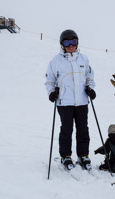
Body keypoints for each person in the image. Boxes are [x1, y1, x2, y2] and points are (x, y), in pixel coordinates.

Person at [45, 29, 96, 170]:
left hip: (82, 102)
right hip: (64, 102)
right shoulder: (56, 61)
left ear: (77, 42)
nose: (71, 45)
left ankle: (83, 155)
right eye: (67, 42)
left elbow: (90, 77)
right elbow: (49, 81)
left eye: (73, 42)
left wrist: (90, 89)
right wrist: (51, 93)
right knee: (66, 130)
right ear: (62, 45)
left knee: (83, 130)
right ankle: (65, 156)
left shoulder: (83, 59)